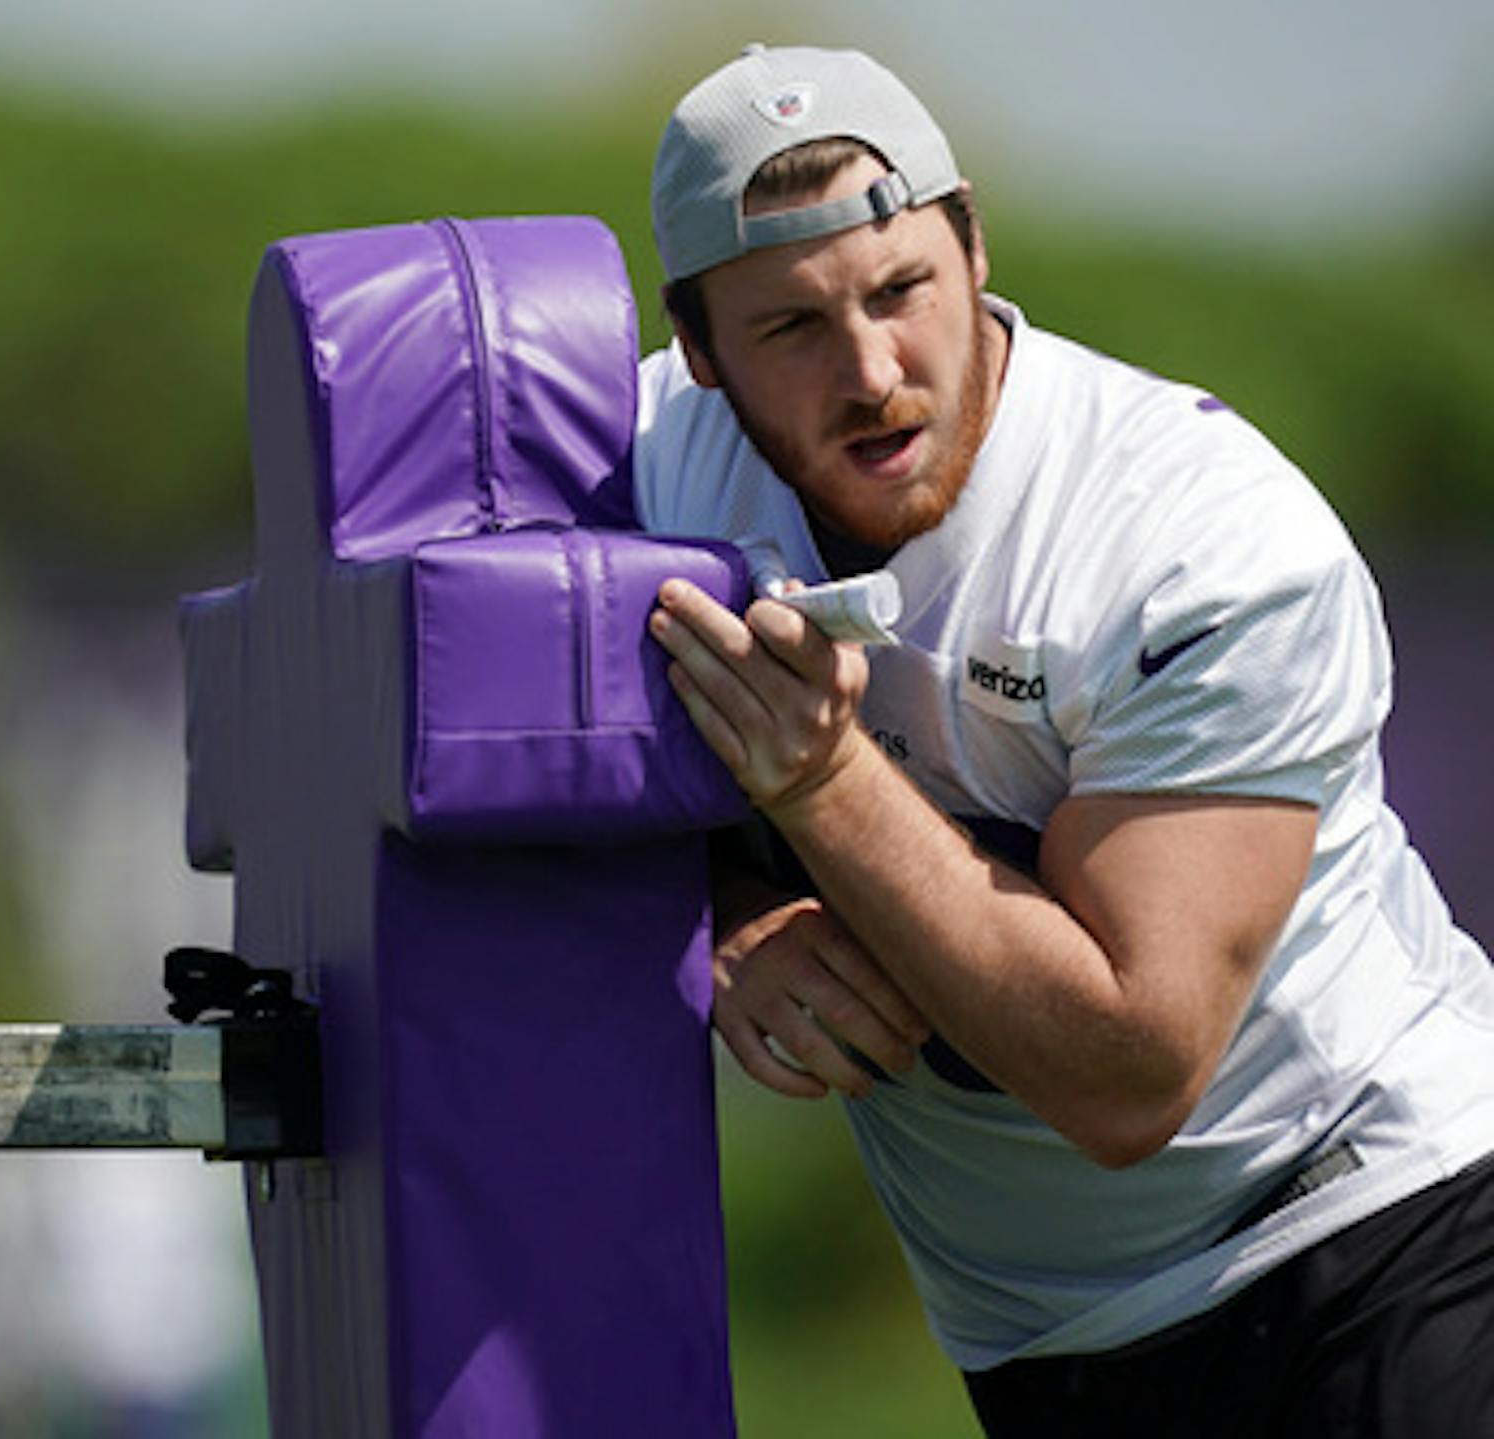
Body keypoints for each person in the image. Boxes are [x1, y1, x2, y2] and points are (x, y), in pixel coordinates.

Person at [637, 44, 1494, 1437]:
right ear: (700, 352)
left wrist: (827, 784)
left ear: (972, 246)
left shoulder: (1197, 540)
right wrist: (712, 922)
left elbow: (1132, 1071)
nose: (870, 371)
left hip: (1381, 1243)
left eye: (902, 289)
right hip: (1040, 1342)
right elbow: (451, 739)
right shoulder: (651, 461)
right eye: (790, 327)